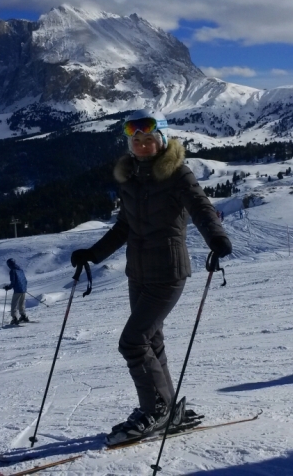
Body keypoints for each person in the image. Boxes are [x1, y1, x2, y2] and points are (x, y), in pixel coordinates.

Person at [70, 109, 232, 445]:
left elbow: (202, 209)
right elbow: (124, 227)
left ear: (163, 140)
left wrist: (216, 239)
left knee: (132, 341)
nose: (143, 145)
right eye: (137, 140)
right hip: (138, 272)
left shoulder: (178, 174)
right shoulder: (130, 177)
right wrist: (93, 254)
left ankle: (154, 410)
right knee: (151, 340)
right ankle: (166, 406)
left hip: (168, 272)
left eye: (150, 139)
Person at [4, 258, 29, 325]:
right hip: (23, 289)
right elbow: (25, 280)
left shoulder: (13, 271)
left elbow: (13, 282)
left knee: (14, 304)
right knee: (21, 303)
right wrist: (23, 288)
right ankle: (23, 316)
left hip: (17, 290)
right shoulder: (20, 270)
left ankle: (14, 318)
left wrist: (8, 287)